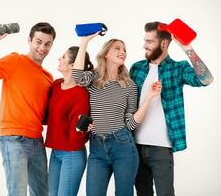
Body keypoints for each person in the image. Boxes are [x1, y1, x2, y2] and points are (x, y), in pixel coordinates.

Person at [129, 21, 214, 196]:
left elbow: (206, 79)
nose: (144, 45)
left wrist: (187, 48)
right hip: (134, 146)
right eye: (144, 40)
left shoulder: (178, 68)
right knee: (142, 193)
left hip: (161, 148)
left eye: (149, 41)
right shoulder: (136, 68)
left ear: (164, 44)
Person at [72, 33, 162, 196]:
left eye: (124, 50)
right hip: (97, 146)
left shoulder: (129, 85)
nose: (123, 52)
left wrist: (149, 98)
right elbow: (77, 76)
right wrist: (84, 41)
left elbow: (131, 123)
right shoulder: (93, 78)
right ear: (105, 54)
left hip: (123, 146)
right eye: (117, 48)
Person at [0, 22, 56, 196]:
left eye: (47, 44)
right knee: (17, 192)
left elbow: (45, 117)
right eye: (38, 41)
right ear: (29, 40)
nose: (42, 48)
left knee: (42, 193)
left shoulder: (48, 78)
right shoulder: (15, 61)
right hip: (13, 139)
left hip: (37, 141)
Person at [45, 46, 93, 196]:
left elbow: (77, 134)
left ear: (73, 65)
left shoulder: (81, 93)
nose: (59, 59)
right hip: (56, 151)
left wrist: (81, 128)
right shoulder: (56, 85)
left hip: (72, 153)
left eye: (63, 57)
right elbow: (47, 117)